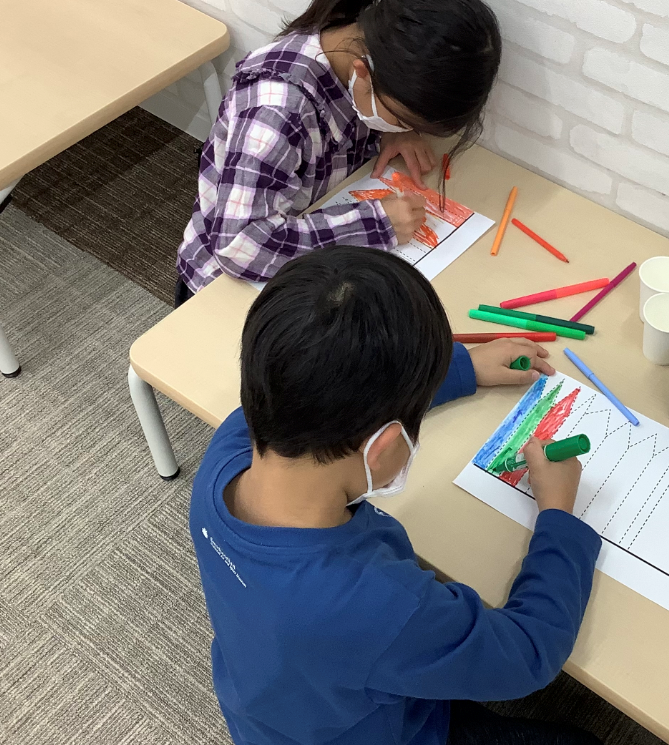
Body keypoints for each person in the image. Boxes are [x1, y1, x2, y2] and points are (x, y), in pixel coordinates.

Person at [189, 246, 602, 745]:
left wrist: (461, 367)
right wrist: (558, 514)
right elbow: (528, 654)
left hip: (280, 714)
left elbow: (324, 381)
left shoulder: (228, 455)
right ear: (383, 448)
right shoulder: (382, 605)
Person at [175, 0, 501, 305]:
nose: (404, 127)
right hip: (225, 289)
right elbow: (239, 247)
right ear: (365, 72)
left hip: (311, 235)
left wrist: (396, 130)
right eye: (402, 119)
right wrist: (377, 225)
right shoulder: (278, 109)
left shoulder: (356, 40)